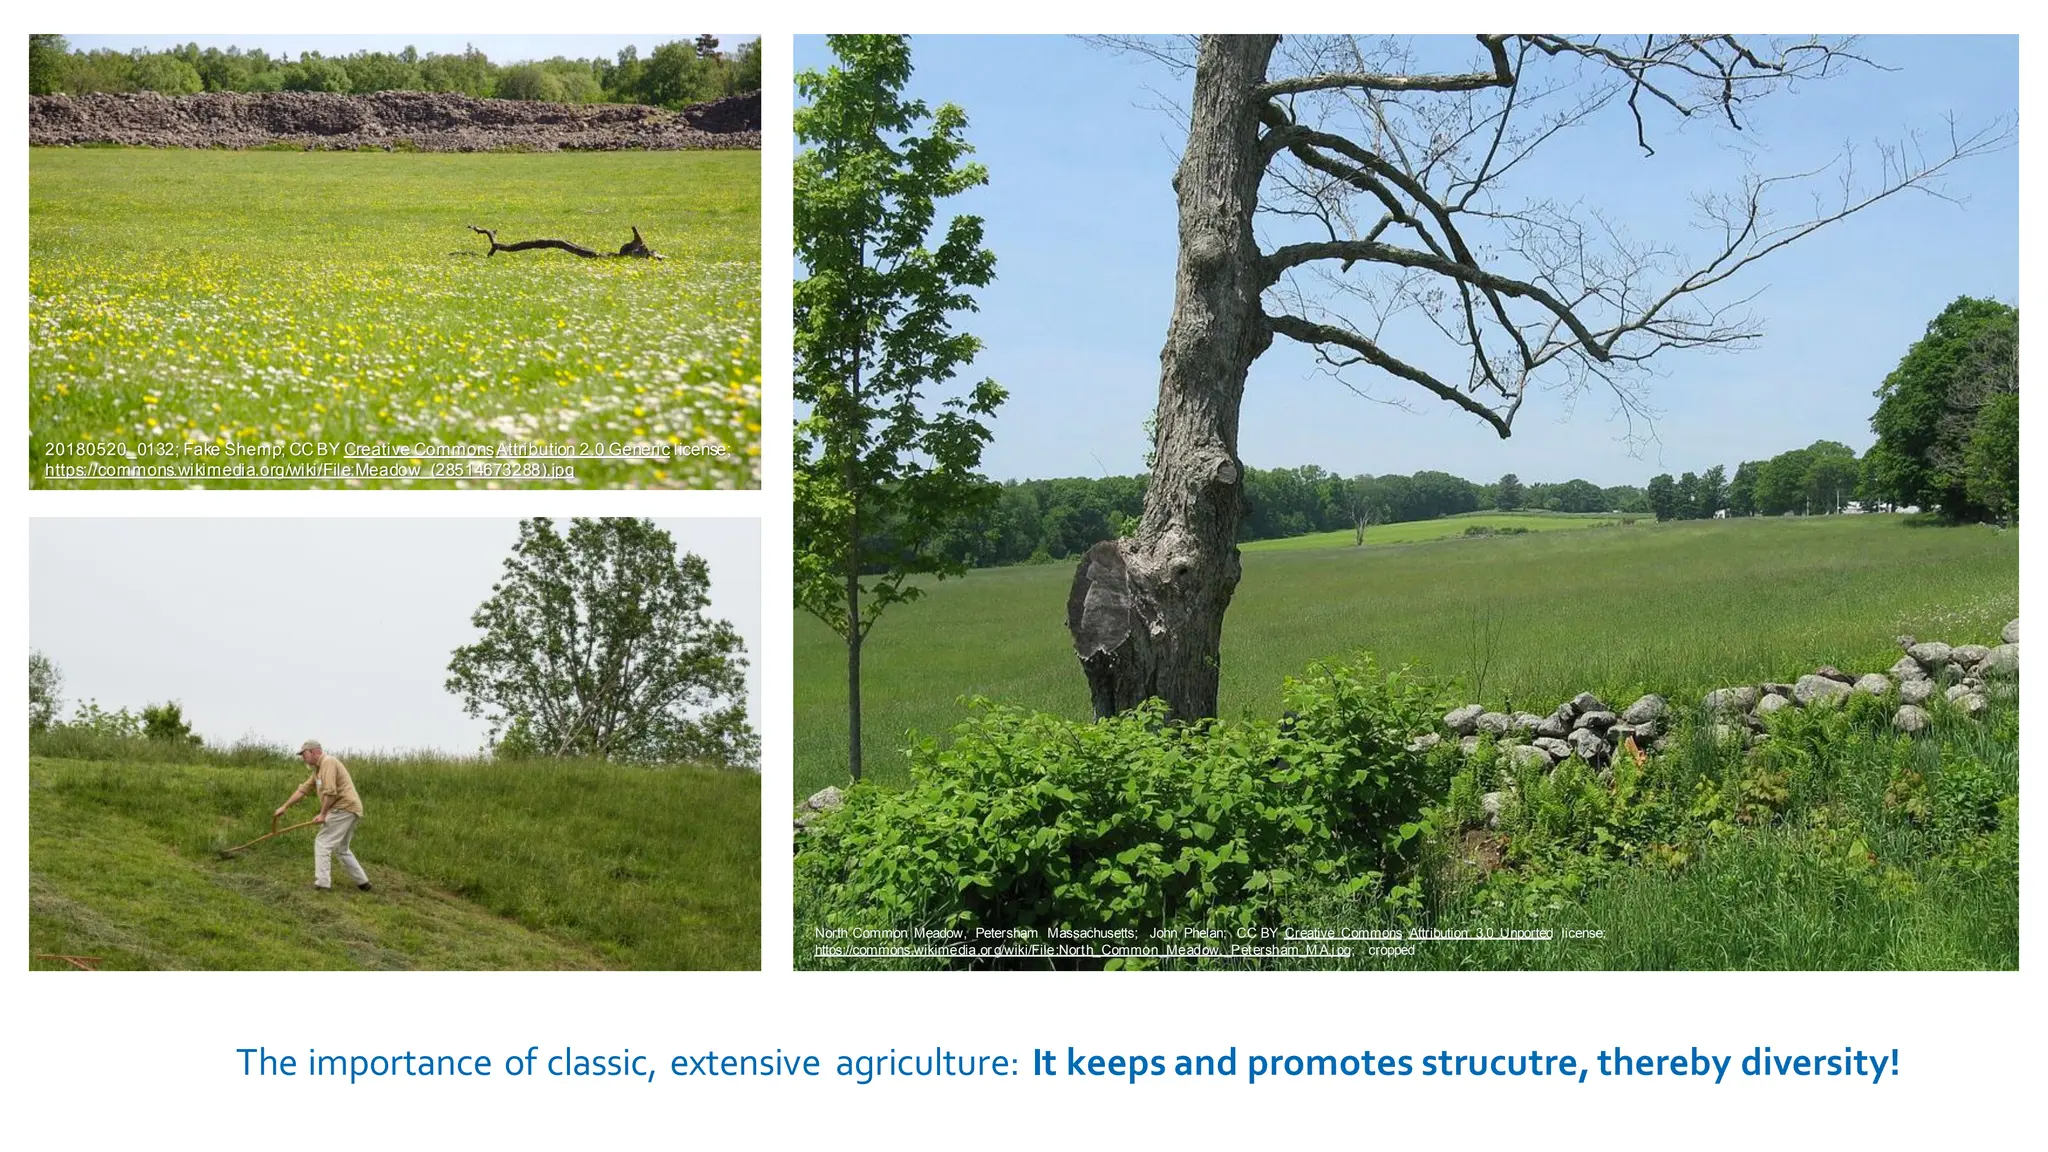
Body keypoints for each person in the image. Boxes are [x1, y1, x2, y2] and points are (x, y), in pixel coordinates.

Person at [275, 740, 370, 892]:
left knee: (322, 843)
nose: (302, 758)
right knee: (341, 848)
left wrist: (323, 814)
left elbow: (331, 792)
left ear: (314, 752)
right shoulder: (317, 770)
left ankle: (322, 884)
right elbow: (303, 790)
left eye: (304, 754)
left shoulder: (328, 762)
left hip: (343, 808)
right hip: (350, 809)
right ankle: (364, 883)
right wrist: (285, 806)